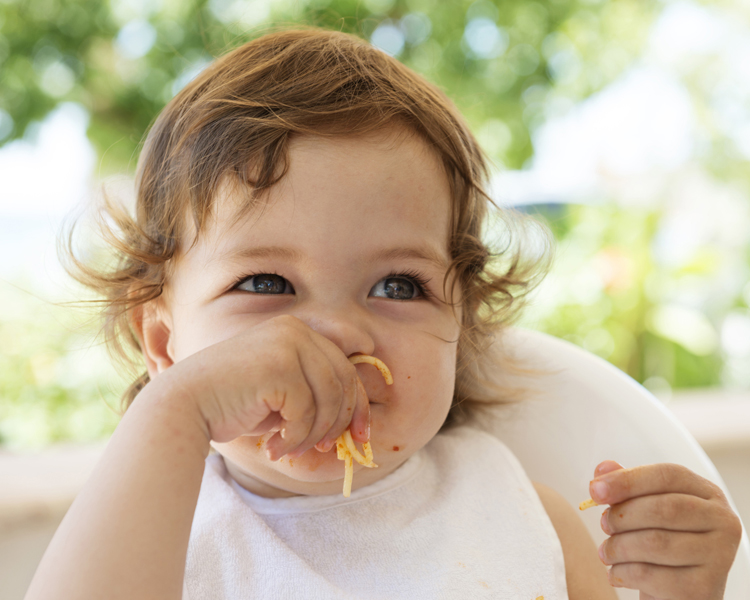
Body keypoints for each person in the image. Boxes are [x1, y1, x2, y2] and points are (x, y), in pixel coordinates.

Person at [27, 28, 741, 600]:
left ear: (458, 326)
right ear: (162, 343)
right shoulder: (147, 530)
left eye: (399, 286)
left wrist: (686, 593)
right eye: (267, 281)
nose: (337, 331)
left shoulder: (531, 522)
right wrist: (174, 412)